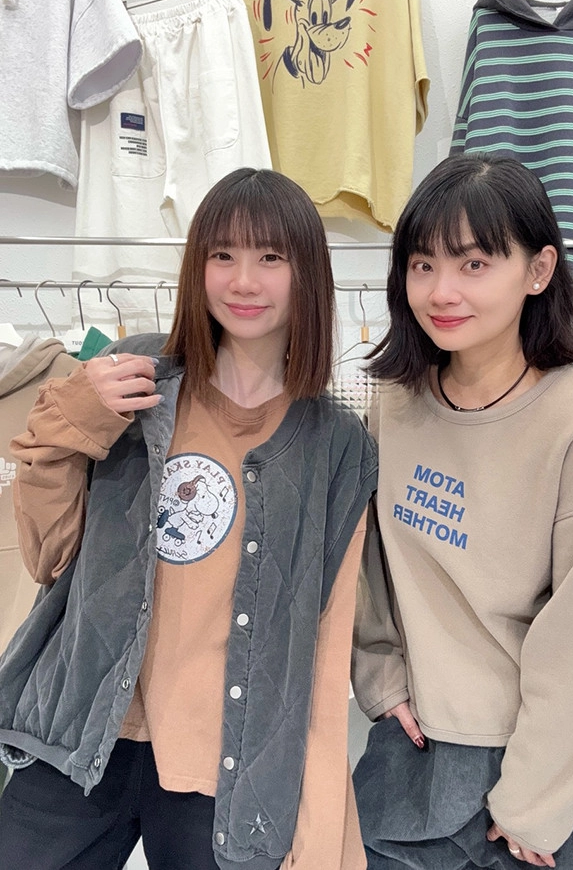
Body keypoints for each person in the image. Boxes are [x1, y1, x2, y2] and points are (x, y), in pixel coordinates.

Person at [0, 168, 377, 870]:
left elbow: (322, 650)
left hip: (223, 767)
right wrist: (74, 415)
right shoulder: (134, 378)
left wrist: (321, 829)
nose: (244, 280)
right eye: (222, 254)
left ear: (307, 273)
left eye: (271, 256)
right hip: (85, 733)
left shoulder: (336, 445)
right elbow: (49, 556)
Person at [351, 153, 573, 869]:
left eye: (474, 264)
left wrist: (535, 798)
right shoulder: (395, 406)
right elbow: (368, 567)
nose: (442, 291)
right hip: (433, 741)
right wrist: (381, 674)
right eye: (423, 264)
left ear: (538, 270)